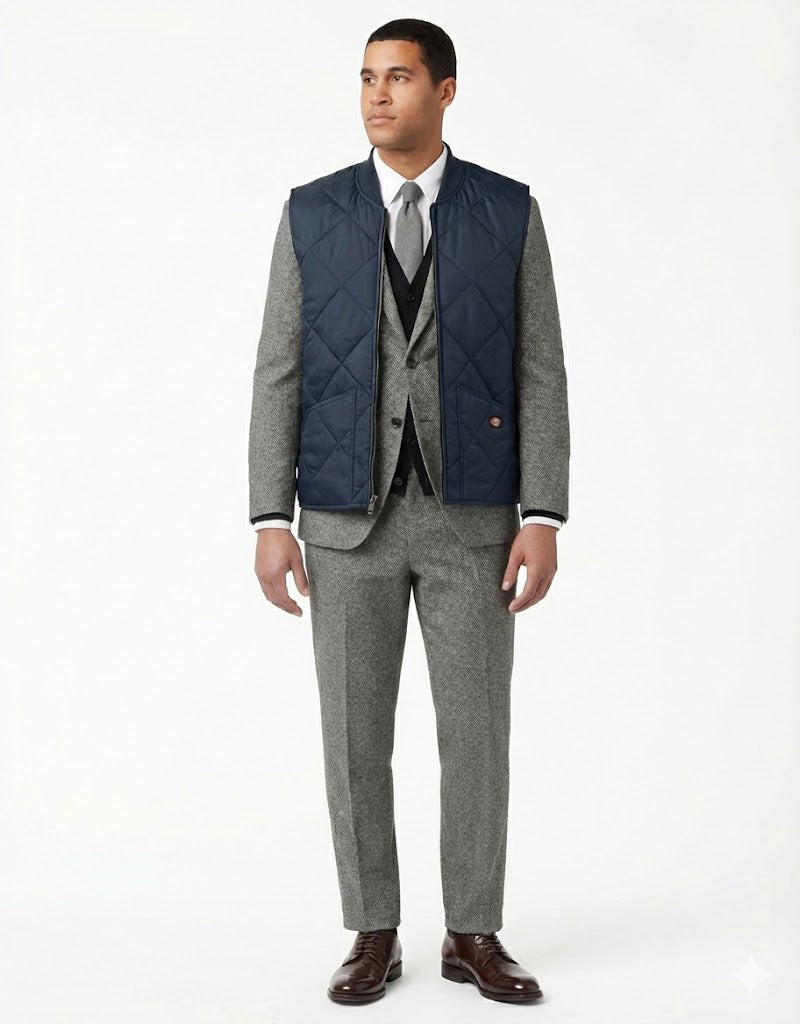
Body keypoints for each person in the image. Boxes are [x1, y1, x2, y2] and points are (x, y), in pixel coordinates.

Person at [248, 17, 569, 1006]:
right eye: (365, 78)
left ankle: (472, 931)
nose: (377, 95)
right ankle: (372, 930)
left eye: (397, 77)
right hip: (345, 521)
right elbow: (278, 369)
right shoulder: (312, 212)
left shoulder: (507, 211)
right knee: (353, 738)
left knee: (476, 733)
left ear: (445, 90)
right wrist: (268, 517)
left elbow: (539, 369)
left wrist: (543, 511)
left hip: (474, 519)